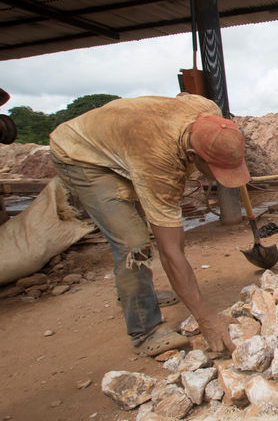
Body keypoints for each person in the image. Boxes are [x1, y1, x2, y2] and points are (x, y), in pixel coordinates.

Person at [49, 94, 247, 356]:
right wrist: (207, 319)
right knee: (134, 242)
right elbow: (171, 251)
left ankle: (142, 293)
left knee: (147, 221)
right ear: (192, 155)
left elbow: (181, 99)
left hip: (125, 141)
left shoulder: (208, 110)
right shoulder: (158, 162)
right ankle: (145, 331)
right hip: (81, 155)